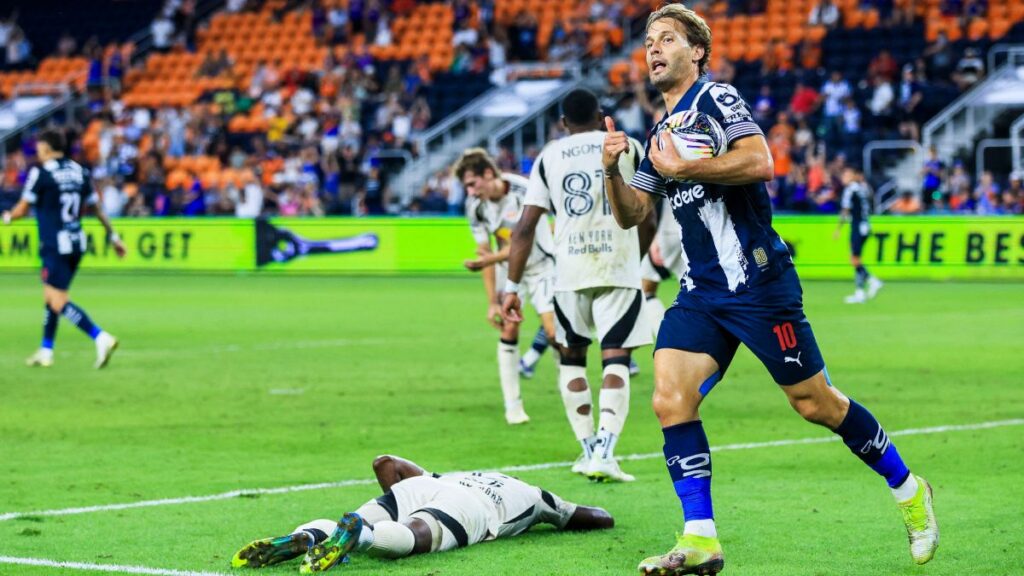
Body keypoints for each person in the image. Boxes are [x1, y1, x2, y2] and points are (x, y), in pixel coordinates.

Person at [600, 5, 938, 574]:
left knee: (815, 404)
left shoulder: (716, 100)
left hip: (759, 285)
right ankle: (701, 538)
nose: (653, 49)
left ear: (696, 52)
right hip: (702, 292)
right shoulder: (660, 133)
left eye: (667, 40)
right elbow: (633, 214)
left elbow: (761, 161)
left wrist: (689, 169)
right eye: (648, 42)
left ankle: (908, 489)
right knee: (669, 398)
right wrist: (613, 168)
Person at [502, 89, 654, 483]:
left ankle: (587, 448)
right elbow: (645, 214)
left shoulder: (550, 155)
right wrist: (635, 258)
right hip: (618, 267)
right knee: (616, 359)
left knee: (572, 359)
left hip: (568, 273)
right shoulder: (626, 145)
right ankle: (605, 450)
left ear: (563, 123)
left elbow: (524, 229)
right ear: (601, 114)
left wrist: (510, 289)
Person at [230, 455, 613, 573]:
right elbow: (592, 517)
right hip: (471, 510)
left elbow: (386, 464)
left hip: (422, 488)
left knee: (375, 518)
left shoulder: (457, 475)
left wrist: (395, 499)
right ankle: (361, 536)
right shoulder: (534, 495)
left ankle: (311, 535)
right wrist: (598, 515)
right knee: (414, 537)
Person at [2, 129, 126, 368]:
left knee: (58, 300)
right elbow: (97, 209)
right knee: (51, 296)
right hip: (77, 243)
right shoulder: (80, 172)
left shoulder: (41, 172)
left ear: (47, 148)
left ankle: (100, 337)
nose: (38, 153)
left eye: (39, 148)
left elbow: (22, 209)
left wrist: (7, 218)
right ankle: (46, 350)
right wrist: (114, 237)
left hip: (54, 245)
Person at [453, 148, 557, 426]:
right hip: (509, 273)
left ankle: (571, 389)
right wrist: (492, 302)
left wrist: (488, 260)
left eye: (473, 183)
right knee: (509, 328)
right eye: (466, 186)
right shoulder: (475, 206)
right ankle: (513, 406)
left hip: (542, 267)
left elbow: (524, 241)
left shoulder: (525, 190)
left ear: (489, 173)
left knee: (553, 332)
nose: (471, 191)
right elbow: (484, 254)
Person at [834, 167, 882, 304]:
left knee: (854, 259)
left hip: (858, 226)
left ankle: (873, 281)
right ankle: (860, 293)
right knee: (856, 258)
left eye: (847, 175)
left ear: (853, 176)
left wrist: (838, 229)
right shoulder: (862, 187)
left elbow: (845, 211)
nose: (844, 178)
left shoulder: (850, 189)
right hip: (865, 225)